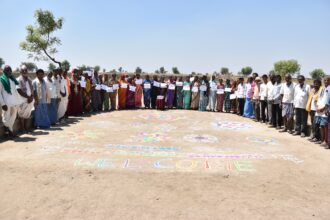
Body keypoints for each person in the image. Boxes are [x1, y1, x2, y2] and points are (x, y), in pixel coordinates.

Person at [0, 66, 24, 137]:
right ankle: (9, 132)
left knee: (13, 116)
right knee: (6, 117)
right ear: (4, 71)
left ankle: (9, 130)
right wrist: (3, 104)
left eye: (10, 70)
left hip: (14, 102)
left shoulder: (13, 80)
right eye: (7, 70)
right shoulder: (1, 80)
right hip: (6, 103)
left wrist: (18, 101)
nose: (9, 71)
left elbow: (15, 91)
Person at [16, 65, 34, 132]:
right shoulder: (18, 79)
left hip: (30, 100)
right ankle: (22, 128)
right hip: (22, 100)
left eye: (25, 70)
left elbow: (32, 89)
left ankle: (26, 127)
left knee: (27, 114)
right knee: (21, 115)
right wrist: (28, 97)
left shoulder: (29, 79)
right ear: (20, 71)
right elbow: (19, 90)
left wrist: (31, 97)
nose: (24, 71)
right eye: (23, 70)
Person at [314, 77, 329, 146]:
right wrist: (317, 107)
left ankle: (326, 141)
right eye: (324, 80)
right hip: (319, 110)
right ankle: (322, 140)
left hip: (325, 110)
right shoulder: (322, 88)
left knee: (324, 126)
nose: (325, 81)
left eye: (327, 80)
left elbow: (328, 102)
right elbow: (319, 98)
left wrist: (323, 109)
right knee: (320, 126)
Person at [306, 78, 322, 142]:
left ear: (320, 84)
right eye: (314, 83)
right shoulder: (312, 90)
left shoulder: (321, 91)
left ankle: (316, 137)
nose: (315, 85)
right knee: (313, 123)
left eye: (317, 83)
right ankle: (313, 135)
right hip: (312, 109)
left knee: (316, 124)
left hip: (317, 110)